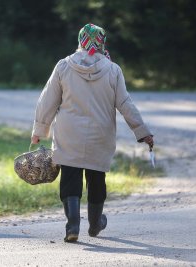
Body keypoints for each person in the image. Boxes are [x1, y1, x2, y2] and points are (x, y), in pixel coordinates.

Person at [31, 23, 154, 243]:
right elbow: (125, 103)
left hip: (69, 133)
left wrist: (39, 130)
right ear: (101, 42)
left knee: (70, 177)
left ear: (80, 41)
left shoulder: (64, 66)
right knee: (96, 178)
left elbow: (47, 99)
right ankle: (96, 223)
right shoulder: (113, 70)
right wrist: (142, 131)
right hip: (100, 133)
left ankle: (73, 226)